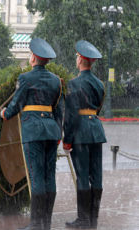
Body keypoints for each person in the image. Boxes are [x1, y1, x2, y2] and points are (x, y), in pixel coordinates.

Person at [0, 38, 62, 230]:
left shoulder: (25, 78)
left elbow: (17, 103)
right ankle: (46, 222)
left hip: (33, 130)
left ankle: (36, 224)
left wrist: (5, 113)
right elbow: (59, 109)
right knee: (49, 176)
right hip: (51, 130)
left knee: (36, 176)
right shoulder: (56, 80)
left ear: (33, 58)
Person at [63, 40, 107, 229]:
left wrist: (67, 140)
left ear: (81, 60)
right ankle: (93, 219)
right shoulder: (99, 84)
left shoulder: (73, 84)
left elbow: (71, 115)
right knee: (96, 176)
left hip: (80, 133)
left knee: (82, 176)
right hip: (96, 132)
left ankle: (83, 220)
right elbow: (98, 109)